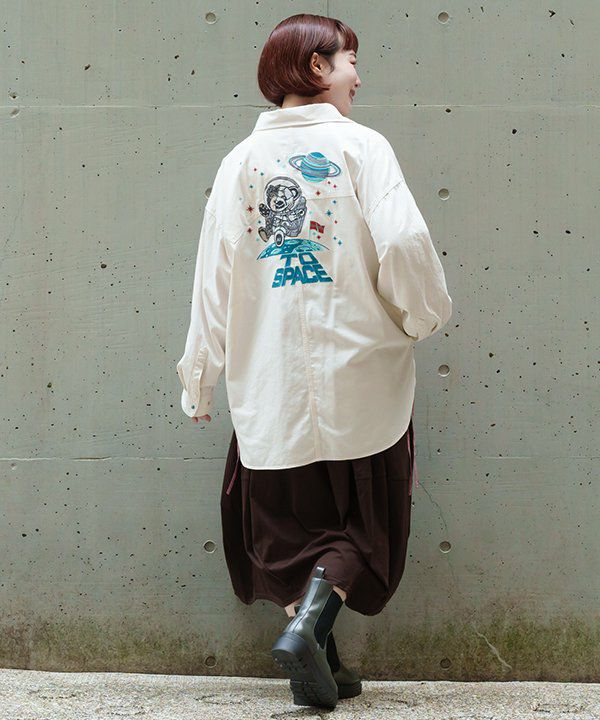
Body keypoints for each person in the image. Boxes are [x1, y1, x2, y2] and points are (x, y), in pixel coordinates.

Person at [176, 12, 452, 709]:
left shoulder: (239, 163)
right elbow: (404, 242)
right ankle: (313, 642)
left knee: (282, 526)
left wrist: (200, 374)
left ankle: (314, 645)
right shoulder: (363, 147)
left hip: (270, 381)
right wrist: (420, 316)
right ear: (317, 67)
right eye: (350, 59)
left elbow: (213, 277)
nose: (358, 75)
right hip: (361, 374)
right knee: (365, 524)